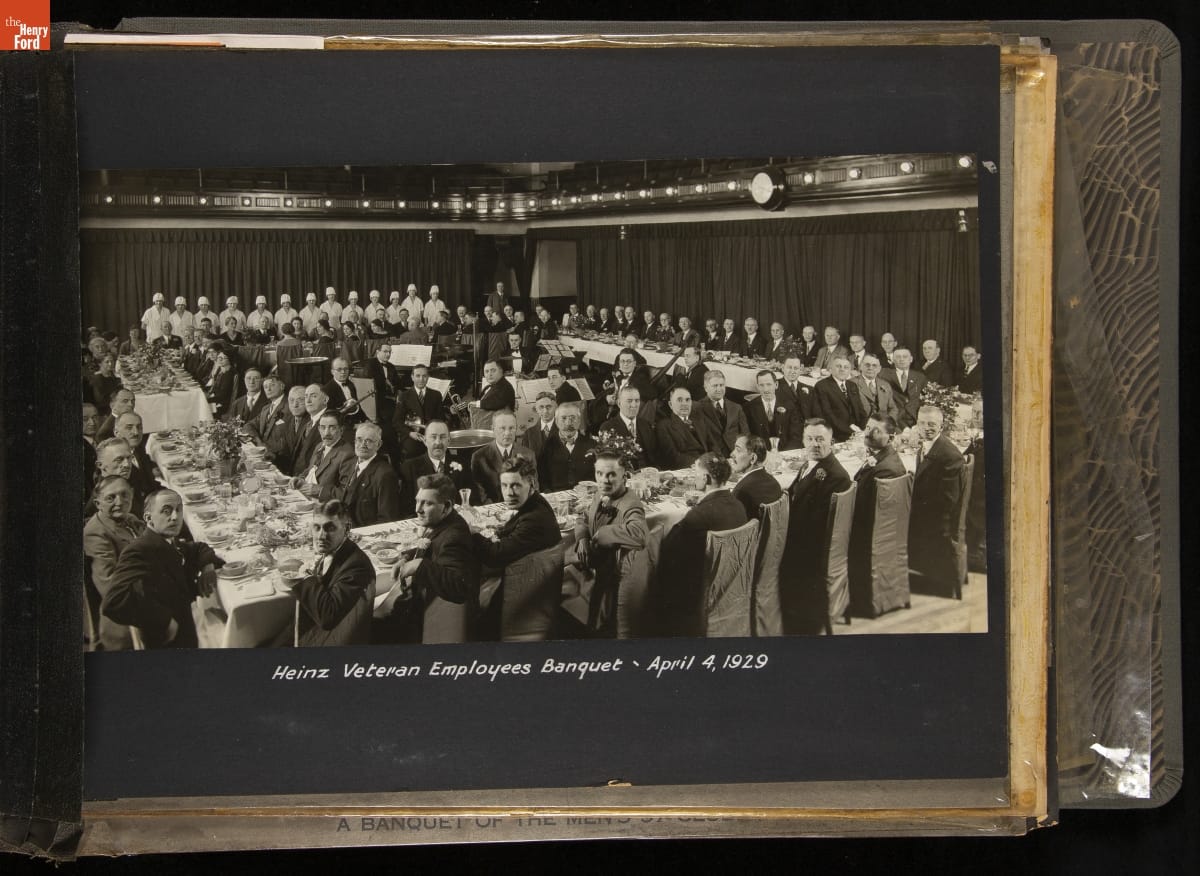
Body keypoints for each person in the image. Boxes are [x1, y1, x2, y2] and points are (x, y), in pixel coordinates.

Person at [102, 489, 222, 649]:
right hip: (168, 641)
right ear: (148, 518)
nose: (175, 517)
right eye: (166, 511)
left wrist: (208, 567)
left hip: (188, 626)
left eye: (179, 510)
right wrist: (163, 620)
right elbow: (113, 602)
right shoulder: (140, 549)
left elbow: (199, 548)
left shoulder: (166, 540)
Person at [377, 473, 482, 644]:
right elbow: (431, 545)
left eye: (427, 503)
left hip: (430, 619)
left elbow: (459, 586)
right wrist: (406, 558)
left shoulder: (454, 537)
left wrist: (419, 565)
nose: (418, 509)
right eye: (418, 501)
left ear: (446, 506)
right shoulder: (444, 522)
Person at [653, 452, 747, 637]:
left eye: (695, 473)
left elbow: (669, 549)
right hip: (734, 581)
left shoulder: (698, 515)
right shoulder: (739, 505)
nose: (694, 478)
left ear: (705, 478)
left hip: (701, 587)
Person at [471, 456, 561, 637]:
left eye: (516, 486)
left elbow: (494, 556)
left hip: (523, 598)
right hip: (529, 585)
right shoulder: (536, 503)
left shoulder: (534, 519)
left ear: (531, 484)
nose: (509, 493)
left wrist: (471, 532)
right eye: (504, 486)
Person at [779, 419, 852, 635]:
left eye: (820, 439)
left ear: (832, 442)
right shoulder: (812, 464)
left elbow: (816, 525)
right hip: (805, 536)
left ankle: (789, 620)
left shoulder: (835, 476)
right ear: (803, 441)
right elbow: (795, 495)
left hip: (811, 549)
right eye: (810, 439)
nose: (815, 444)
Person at [569, 450, 648, 635]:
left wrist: (602, 533)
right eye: (600, 473)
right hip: (594, 568)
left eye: (612, 474)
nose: (604, 480)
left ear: (624, 477)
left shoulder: (630, 503)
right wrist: (582, 538)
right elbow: (584, 517)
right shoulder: (601, 492)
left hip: (612, 579)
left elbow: (640, 534)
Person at [292, 500, 376, 647]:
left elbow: (328, 617)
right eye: (317, 527)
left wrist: (307, 577)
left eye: (330, 528)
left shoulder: (357, 566)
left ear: (347, 528)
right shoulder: (336, 549)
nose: (321, 536)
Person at [848, 414, 908, 612]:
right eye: (867, 427)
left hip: (869, 532)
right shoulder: (884, 457)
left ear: (891, 437)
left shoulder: (886, 469)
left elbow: (864, 509)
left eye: (876, 430)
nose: (868, 433)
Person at [83, 475, 147, 651]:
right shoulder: (95, 533)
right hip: (128, 625)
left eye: (124, 495)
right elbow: (111, 588)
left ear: (132, 494)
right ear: (98, 504)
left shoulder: (129, 519)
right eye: (110, 498)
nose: (120, 502)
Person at [908, 405, 965, 596]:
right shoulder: (929, 445)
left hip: (939, 521)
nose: (926, 428)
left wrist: (914, 508)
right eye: (922, 424)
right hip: (930, 511)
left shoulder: (950, 455)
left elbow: (948, 500)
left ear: (941, 426)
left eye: (931, 424)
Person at [397, 420, 466, 517]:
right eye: (433, 437)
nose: (438, 442)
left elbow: (473, 500)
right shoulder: (409, 468)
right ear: (425, 441)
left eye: (442, 437)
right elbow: (405, 510)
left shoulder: (462, 464)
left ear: (449, 441)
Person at [341, 422, 401, 527]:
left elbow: (387, 519)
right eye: (359, 439)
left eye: (368, 441)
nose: (362, 445)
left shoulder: (385, 474)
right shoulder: (351, 464)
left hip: (364, 532)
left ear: (379, 444)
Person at [470, 410, 536, 504]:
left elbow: (533, 488)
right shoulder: (479, 457)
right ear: (493, 429)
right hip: (491, 508)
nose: (507, 433)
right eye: (502, 428)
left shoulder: (528, 454)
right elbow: (479, 493)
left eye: (511, 428)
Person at [292, 409, 356, 503]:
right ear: (319, 429)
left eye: (332, 428)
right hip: (307, 500)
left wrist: (320, 491)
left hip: (326, 506)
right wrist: (300, 479)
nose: (326, 433)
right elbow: (311, 470)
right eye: (323, 427)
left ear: (341, 430)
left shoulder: (348, 454)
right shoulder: (320, 446)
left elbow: (348, 494)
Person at [537, 404, 596, 492]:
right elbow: (542, 479)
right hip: (555, 496)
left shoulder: (592, 444)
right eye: (563, 418)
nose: (568, 423)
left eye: (573, 418)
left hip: (586, 495)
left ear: (579, 420)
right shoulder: (547, 446)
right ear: (556, 422)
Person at [598, 385, 656, 470]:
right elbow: (609, 464)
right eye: (629, 401)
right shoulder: (607, 427)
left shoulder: (646, 425)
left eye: (637, 401)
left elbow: (655, 457)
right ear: (619, 403)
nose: (634, 405)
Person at [691, 369, 748, 457]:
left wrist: (740, 453)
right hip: (712, 456)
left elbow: (745, 435)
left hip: (735, 454)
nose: (719, 389)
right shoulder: (697, 408)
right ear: (706, 388)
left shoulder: (736, 407)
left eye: (721, 385)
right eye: (715, 386)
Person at [811, 356, 868, 442]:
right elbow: (828, 415)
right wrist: (851, 432)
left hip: (856, 432)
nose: (842, 369)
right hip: (836, 434)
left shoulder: (852, 385)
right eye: (838, 366)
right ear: (831, 369)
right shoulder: (822, 386)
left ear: (849, 371)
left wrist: (862, 429)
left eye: (846, 367)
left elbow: (861, 411)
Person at [654, 385, 710, 469]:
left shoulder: (699, 421)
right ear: (670, 404)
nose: (684, 404)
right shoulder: (664, 426)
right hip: (687, 467)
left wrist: (717, 460)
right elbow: (673, 457)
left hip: (708, 465)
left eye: (687, 400)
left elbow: (713, 445)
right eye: (679, 400)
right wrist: (701, 463)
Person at [729, 434, 782, 519]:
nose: (731, 454)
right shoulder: (773, 481)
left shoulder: (742, 491)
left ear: (753, 458)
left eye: (738, 450)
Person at [745, 370, 800, 449]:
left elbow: (796, 436)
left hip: (785, 452)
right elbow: (748, 437)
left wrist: (785, 454)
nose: (766, 389)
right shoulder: (749, 408)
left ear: (776, 385)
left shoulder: (790, 406)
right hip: (760, 452)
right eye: (761, 385)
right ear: (757, 387)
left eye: (769, 384)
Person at [112, 412, 160, 498]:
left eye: (139, 427)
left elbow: (149, 484)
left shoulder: (137, 450)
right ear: (116, 433)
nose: (136, 432)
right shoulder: (113, 462)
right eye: (129, 428)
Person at [880, 347, 927, 428]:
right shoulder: (883, 375)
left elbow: (926, 398)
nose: (901, 359)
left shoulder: (920, 377)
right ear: (893, 359)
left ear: (911, 359)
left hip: (915, 421)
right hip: (893, 421)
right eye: (898, 357)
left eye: (905, 356)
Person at [852, 354, 901, 423]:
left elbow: (893, 408)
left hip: (882, 425)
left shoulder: (885, 385)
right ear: (861, 366)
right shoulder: (851, 384)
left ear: (879, 369)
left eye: (874, 365)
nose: (870, 368)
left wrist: (887, 423)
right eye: (867, 365)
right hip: (860, 425)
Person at [396, 363, 444, 427]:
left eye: (424, 376)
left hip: (431, 431)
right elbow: (397, 421)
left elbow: (440, 419)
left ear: (428, 377)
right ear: (412, 377)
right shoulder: (403, 396)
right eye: (418, 376)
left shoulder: (436, 395)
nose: (421, 379)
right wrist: (409, 432)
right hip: (411, 432)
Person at [518, 391, 558, 458]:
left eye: (549, 407)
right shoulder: (528, 433)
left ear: (555, 407)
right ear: (536, 409)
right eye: (541, 407)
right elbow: (525, 460)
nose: (545, 411)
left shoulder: (564, 430)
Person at [776, 355, 813, 420]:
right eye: (789, 367)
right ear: (783, 368)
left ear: (800, 370)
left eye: (796, 368)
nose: (792, 371)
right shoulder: (775, 386)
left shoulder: (810, 389)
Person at [204, 350, 237, 417]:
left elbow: (222, 396)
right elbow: (215, 387)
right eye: (219, 357)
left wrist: (207, 399)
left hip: (222, 404)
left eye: (223, 358)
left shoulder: (229, 374)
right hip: (216, 399)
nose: (220, 360)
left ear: (230, 360)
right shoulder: (221, 370)